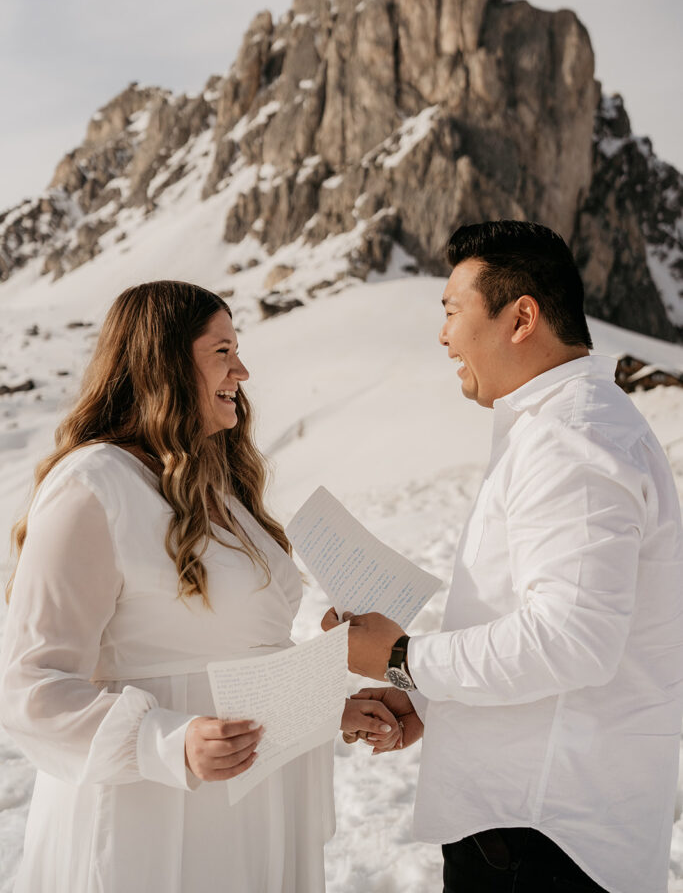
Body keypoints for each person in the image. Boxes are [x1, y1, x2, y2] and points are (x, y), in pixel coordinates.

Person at [0, 280, 399, 893]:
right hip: (149, 820)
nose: (242, 369)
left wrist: (327, 708)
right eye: (222, 351)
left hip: (251, 812)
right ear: (162, 364)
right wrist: (168, 742)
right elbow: (29, 685)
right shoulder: (94, 486)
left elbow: (236, 664)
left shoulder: (217, 490)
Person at [323, 221, 683, 893]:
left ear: (520, 318)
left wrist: (402, 657)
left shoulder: (570, 441)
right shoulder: (567, 427)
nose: (442, 337)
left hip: (540, 843)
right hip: (542, 828)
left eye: (452, 312)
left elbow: (571, 641)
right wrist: (426, 698)